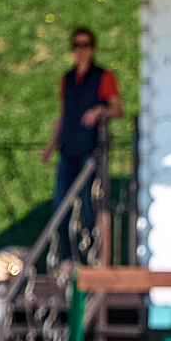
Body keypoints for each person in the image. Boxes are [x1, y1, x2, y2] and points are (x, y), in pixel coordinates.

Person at [41, 26, 122, 263]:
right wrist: (50, 146)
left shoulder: (103, 76)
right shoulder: (67, 79)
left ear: (92, 48)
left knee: (89, 205)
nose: (81, 50)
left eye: (85, 45)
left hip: (90, 151)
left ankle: (93, 255)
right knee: (61, 204)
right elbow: (63, 115)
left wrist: (100, 110)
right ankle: (67, 257)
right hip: (68, 151)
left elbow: (117, 109)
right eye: (77, 45)